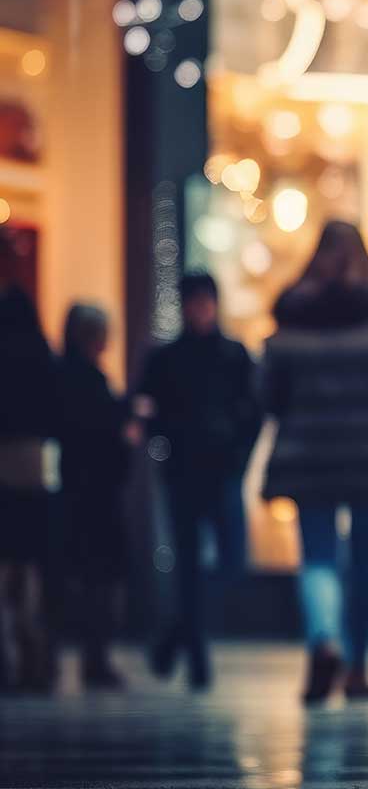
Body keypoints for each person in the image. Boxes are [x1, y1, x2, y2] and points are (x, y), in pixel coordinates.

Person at [261, 221, 368, 705]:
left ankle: (323, 640)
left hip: (308, 452)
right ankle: (357, 667)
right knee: (364, 558)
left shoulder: (291, 317)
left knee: (317, 557)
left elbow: (268, 396)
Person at [138, 271, 262, 689]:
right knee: (189, 564)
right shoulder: (166, 359)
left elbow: (254, 412)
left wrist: (239, 456)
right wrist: (166, 444)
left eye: (205, 301)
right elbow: (148, 411)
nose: (200, 309)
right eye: (193, 302)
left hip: (222, 472)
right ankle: (196, 658)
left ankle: (176, 634)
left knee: (232, 560)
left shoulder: (234, 356)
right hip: (183, 475)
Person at [55, 303, 133, 689]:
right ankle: (95, 657)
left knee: (85, 575)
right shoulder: (90, 383)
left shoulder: (61, 378)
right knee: (98, 576)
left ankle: (85, 655)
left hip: (74, 489)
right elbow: (105, 438)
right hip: (96, 493)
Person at [0, 280, 58, 692]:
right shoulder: (41, 354)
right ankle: (35, 657)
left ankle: (7, 658)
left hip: (3, 463)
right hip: (34, 465)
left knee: (5, 567)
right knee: (32, 566)